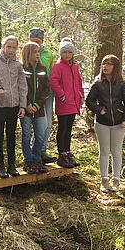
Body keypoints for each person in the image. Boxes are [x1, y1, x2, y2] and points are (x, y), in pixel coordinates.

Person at [86, 54, 125, 192]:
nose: (105, 66)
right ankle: (104, 179)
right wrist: (99, 110)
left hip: (119, 123)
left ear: (116, 67)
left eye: (109, 64)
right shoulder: (98, 83)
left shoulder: (122, 84)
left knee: (116, 151)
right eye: (104, 63)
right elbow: (89, 101)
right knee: (104, 151)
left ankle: (116, 180)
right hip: (102, 123)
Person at [0, 35, 26, 178]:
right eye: (8, 47)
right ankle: (0, 166)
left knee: (11, 135)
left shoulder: (18, 65)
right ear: (3, 47)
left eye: (13, 47)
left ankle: (12, 164)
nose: (11, 50)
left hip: (14, 106)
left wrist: (22, 105)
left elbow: (22, 86)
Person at [49, 38, 84, 169]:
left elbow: (79, 82)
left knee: (69, 129)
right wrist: (62, 95)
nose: (67, 54)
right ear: (61, 54)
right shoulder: (58, 67)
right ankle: (61, 154)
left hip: (74, 103)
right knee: (62, 128)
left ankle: (68, 152)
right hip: (64, 103)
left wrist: (81, 95)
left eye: (70, 52)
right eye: (65, 52)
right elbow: (53, 81)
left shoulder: (74, 66)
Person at [20, 41, 50, 173]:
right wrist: (27, 105)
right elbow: (19, 88)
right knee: (26, 134)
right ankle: (28, 160)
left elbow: (46, 89)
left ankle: (36, 158)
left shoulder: (42, 69)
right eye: (35, 52)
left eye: (38, 52)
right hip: (25, 109)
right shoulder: (21, 69)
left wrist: (37, 104)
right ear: (28, 54)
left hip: (39, 109)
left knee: (41, 133)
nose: (37, 54)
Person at [28, 28, 57, 164]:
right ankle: (34, 153)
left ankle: (42, 151)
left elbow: (51, 73)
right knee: (37, 125)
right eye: (33, 41)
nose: (36, 44)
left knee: (48, 124)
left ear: (42, 41)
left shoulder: (48, 54)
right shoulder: (27, 52)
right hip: (31, 96)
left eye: (38, 42)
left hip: (46, 94)